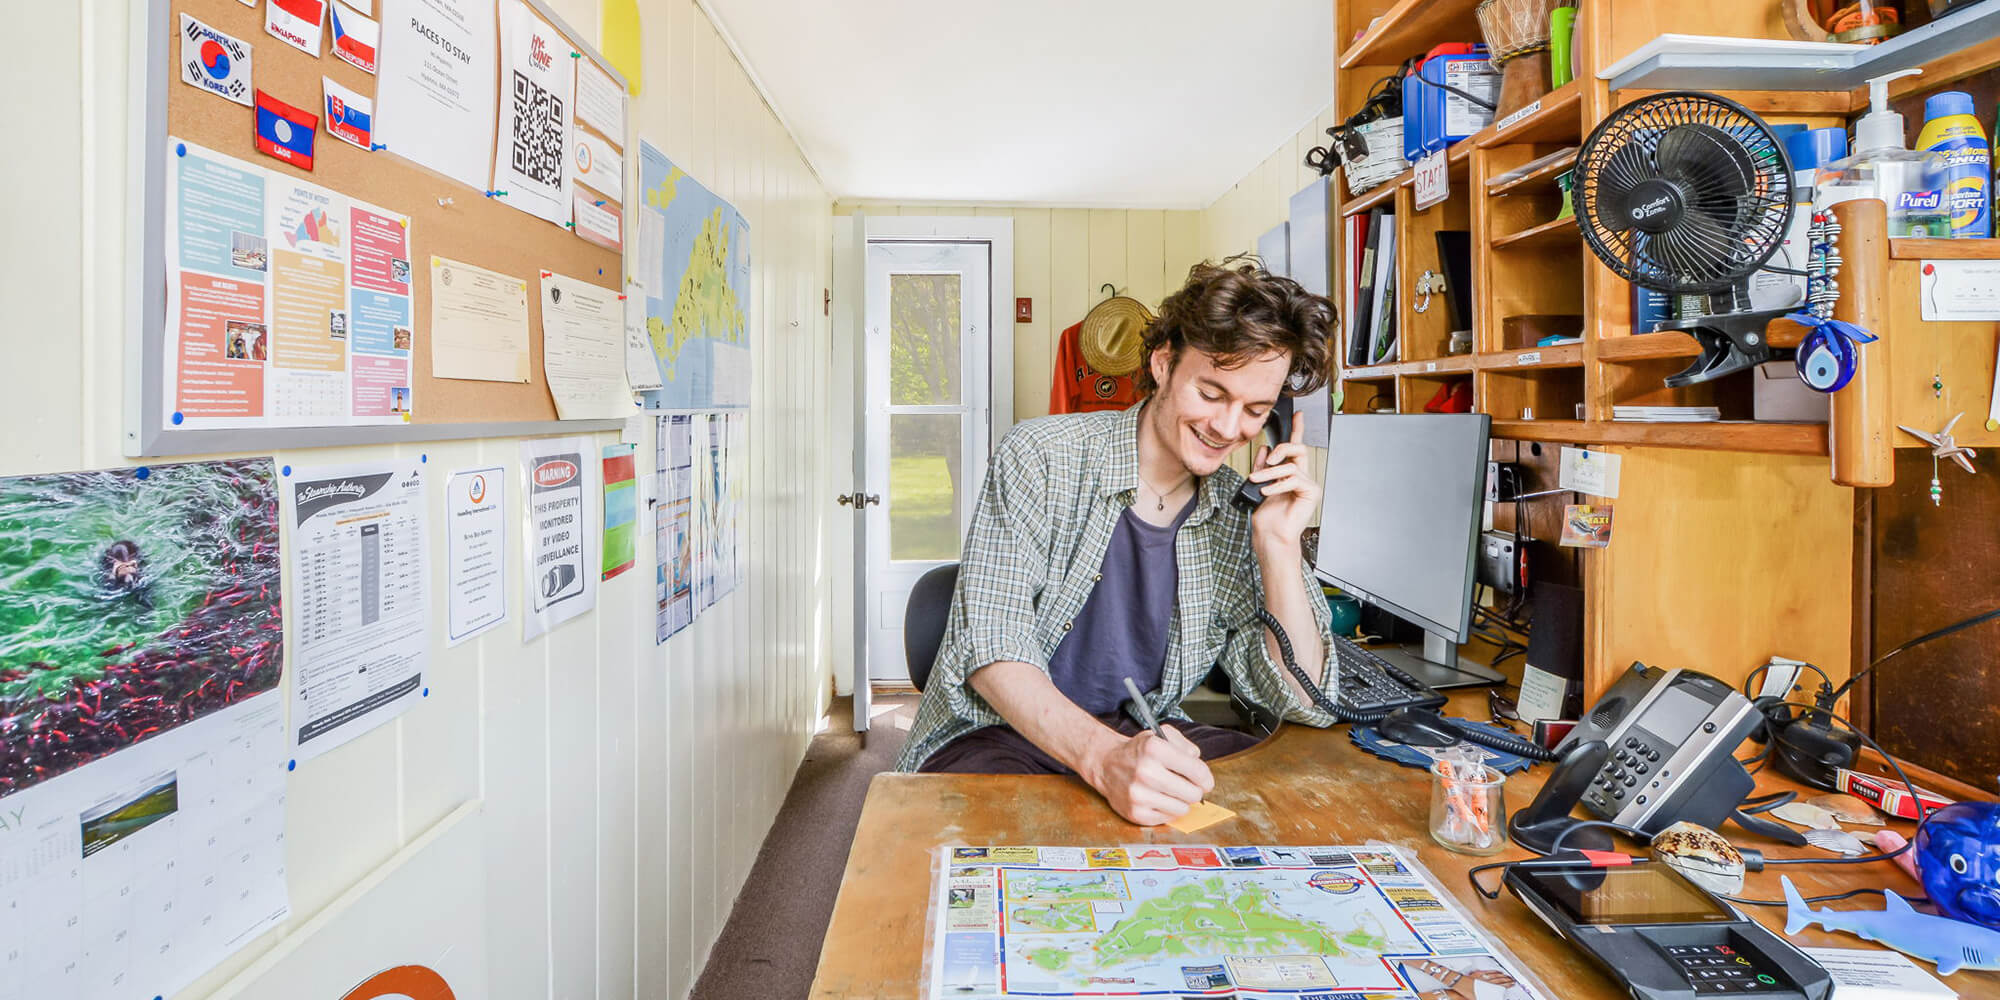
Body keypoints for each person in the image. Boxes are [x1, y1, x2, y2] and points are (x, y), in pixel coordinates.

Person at [895, 258, 1343, 826]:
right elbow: (992, 650)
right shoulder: (1039, 456)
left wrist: (1279, 547)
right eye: (1211, 393)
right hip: (997, 732)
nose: (1230, 430)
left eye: (1255, 410)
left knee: (1278, 807)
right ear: (1163, 365)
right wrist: (1104, 759)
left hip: (1142, 728)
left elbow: (1303, 702)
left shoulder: (1241, 511)